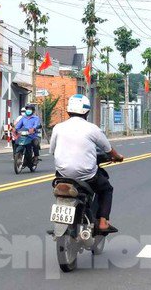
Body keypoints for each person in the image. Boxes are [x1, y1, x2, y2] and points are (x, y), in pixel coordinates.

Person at [50, 94, 124, 233]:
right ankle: (103, 222)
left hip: (62, 176)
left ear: (68, 110)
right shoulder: (92, 129)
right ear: (87, 112)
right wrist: (118, 157)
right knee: (106, 189)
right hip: (87, 176)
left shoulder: (58, 128)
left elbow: (52, 151)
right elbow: (108, 150)